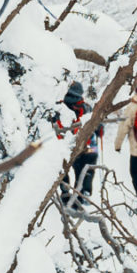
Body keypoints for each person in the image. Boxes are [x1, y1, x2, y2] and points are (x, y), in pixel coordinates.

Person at [51, 80, 98, 209]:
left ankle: (65, 194)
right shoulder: (86, 107)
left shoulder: (59, 106)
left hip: (64, 146)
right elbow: (96, 125)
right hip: (85, 146)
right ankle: (83, 194)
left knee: (63, 170)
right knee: (84, 170)